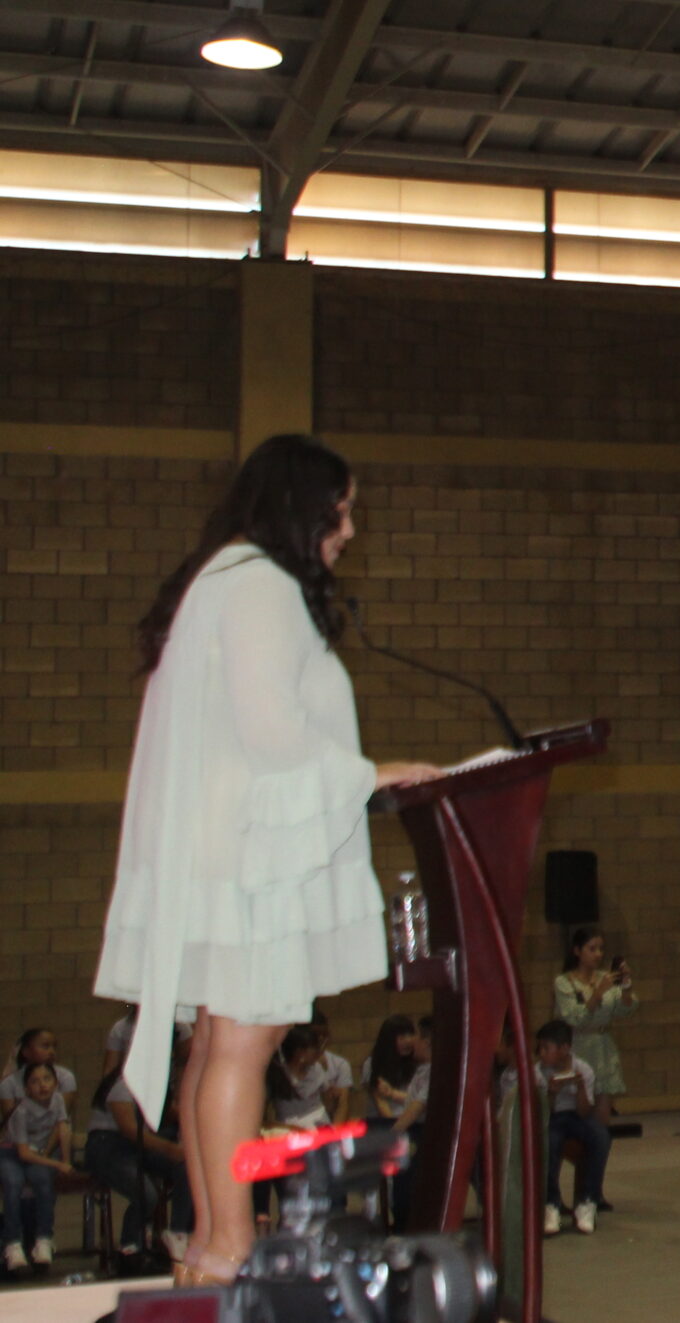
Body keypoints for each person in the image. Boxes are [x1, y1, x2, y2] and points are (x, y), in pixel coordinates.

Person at [93, 436, 443, 1288]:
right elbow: (273, 729)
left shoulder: (224, 577)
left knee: (220, 1046)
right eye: (341, 511)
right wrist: (370, 773)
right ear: (301, 507)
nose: (350, 530)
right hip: (250, 858)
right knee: (240, 1050)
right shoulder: (260, 586)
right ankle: (227, 1248)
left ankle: (210, 1244)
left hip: (224, 849)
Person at [86, 1036, 192, 1262]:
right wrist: (169, 1148)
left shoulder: (153, 1086)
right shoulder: (123, 1085)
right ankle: (130, 1246)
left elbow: (171, 1115)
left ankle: (178, 1232)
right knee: (147, 1194)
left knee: (186, 1168)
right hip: (108, 1145)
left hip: (137, 1145)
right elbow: (129, 1129)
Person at [521, 1019, 611, 1235]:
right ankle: (551, 1204)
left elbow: (584, 1112)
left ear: (564, 1048)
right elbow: (542, 1114)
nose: (541, 1053)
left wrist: (579, 1089)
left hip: (577, 1117)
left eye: (547, 1048)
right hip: (552, 1119)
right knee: (550, 1141)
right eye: (540, 1048)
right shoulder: (537, 1072)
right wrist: (551, 1093)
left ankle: (587, 1201)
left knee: (600, 1136)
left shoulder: (583, 1069)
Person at [555, 927, 639, 1125]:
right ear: (577, 951)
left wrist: (626, 986)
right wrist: (598, 993)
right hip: (579, 1045)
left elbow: (624, 1009)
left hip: (604, 1048)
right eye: (592, 949)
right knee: (579, 1111)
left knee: (602, 1117)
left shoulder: (606, 978)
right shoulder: (564, 982)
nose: (598, 954)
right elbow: (575, 1018)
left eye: (601, 949)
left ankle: (600, 1140)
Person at [1, 1060, 76, 1273]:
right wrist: (57, 1163)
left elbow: (63, 1128)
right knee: (13, 1183)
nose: (42, 1085)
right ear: (26, 1089)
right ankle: (12, 1243)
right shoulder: (21, 1111)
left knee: (43, 1180)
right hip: (12, 1154)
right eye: (34, 1081)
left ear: (55, 1083)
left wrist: (66, 1160)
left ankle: (43, 1238)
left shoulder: (58, 1100)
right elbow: (23, 1153)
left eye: (46, 1079)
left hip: (38, 1154)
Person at [358, 1015, 420, 1124]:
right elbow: (381, 1102)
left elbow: (421, 1099)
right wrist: (397, 1128)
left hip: (413, 1121)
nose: (408, 1041)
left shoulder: (418, 1063)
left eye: (410, 1035)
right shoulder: (372, 1064)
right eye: (402, 1037)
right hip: (384, 1124)